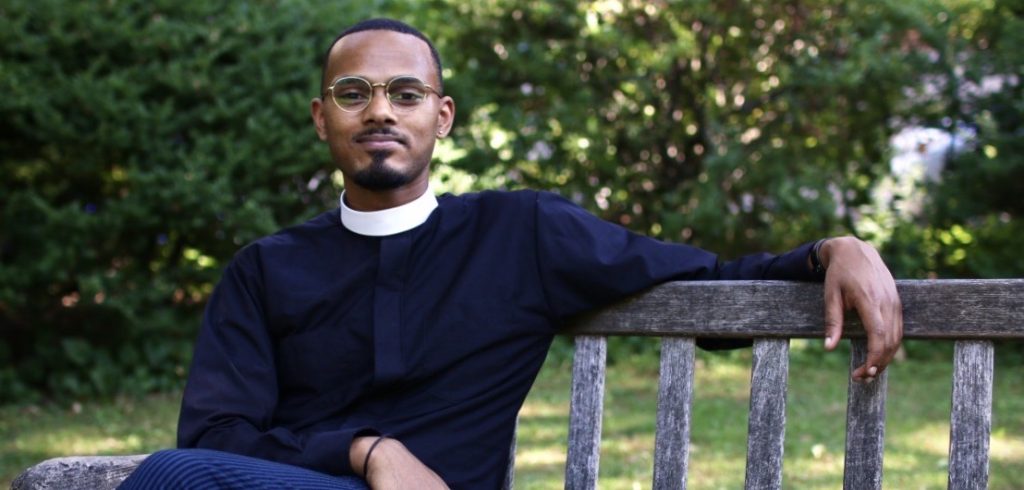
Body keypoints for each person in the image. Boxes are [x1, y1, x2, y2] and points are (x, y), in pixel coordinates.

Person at [119, 18, 902, 490]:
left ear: (443, 116)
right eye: (354, 95)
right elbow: (216, 439)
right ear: (322, 119)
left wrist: (834, 248)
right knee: (175, 476)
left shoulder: (520, 234)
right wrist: (367, 453)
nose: (380, 111)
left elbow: (702, 278)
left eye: (406, 93)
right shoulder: (266, 269)